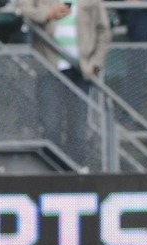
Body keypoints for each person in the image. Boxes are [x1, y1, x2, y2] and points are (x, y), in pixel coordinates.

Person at [17, 0, 111, 168]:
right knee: (51, 125)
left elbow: (103, 30)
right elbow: (24, 7)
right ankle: (51, 172)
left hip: (81, 71)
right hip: (48, 67)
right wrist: (48, 14)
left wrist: (96, 63)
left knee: (78, 128)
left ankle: (75, 173)